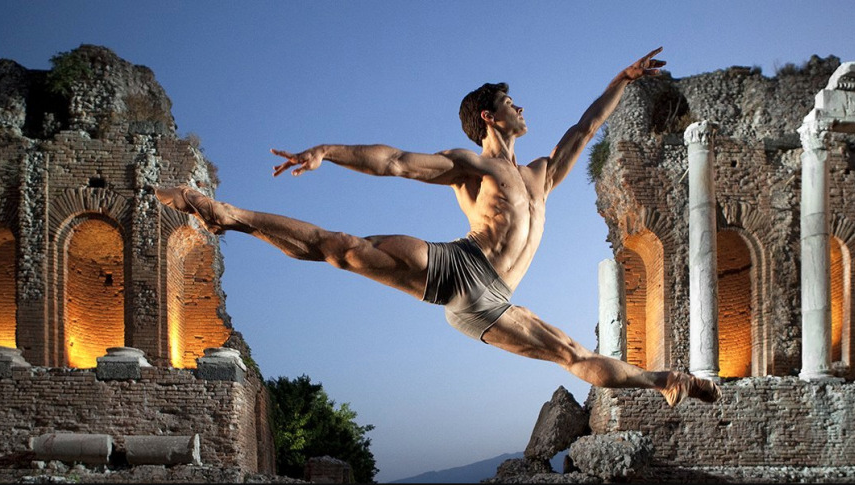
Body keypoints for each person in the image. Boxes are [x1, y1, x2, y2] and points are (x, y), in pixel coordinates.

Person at [156, 47, 720, 407]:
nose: (522, 107)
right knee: (342, 250)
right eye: (510, 101)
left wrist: (622, 77)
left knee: (573, 356)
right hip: (458, 264)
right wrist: (328, 151)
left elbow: (586, 125)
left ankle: (664, 382)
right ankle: (226, 214)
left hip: (491, 301)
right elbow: (396, 161)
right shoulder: (472, 166)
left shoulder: (541, 174)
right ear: (489, 116)